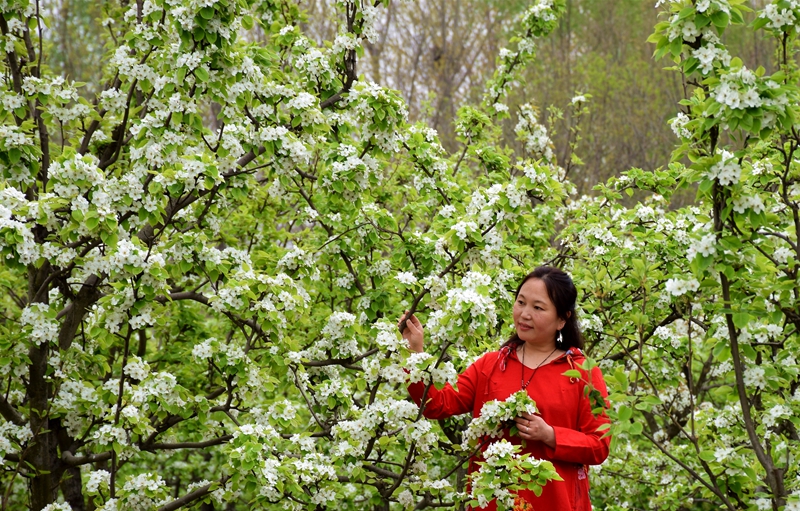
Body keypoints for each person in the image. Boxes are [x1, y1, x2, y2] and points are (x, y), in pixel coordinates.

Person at [401, 266, 610, 511]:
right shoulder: (491, 365)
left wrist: (550, 435)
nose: (524, 314)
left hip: (555, 502)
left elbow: (599, 445)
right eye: (520, 302)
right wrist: (414, 355)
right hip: (492, 502)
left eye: (538, 307)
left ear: (562, 319)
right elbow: (438, 404)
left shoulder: (582, 372)